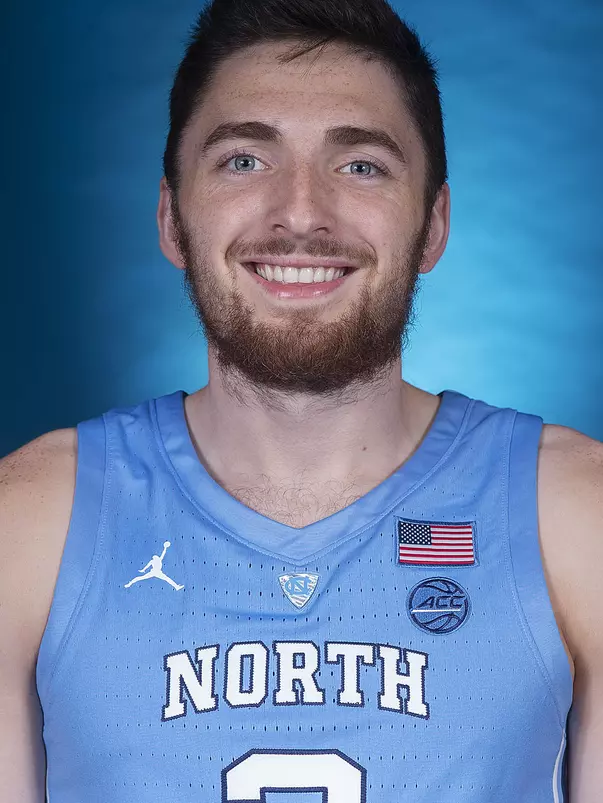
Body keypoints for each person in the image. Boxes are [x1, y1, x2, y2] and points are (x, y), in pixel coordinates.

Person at [1, 0, 601, 800]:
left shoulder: (572, 513)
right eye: (244, 160)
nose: (301, 213)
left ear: (432, 226)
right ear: (172, 218)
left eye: (360, 166)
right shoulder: (32, 521)